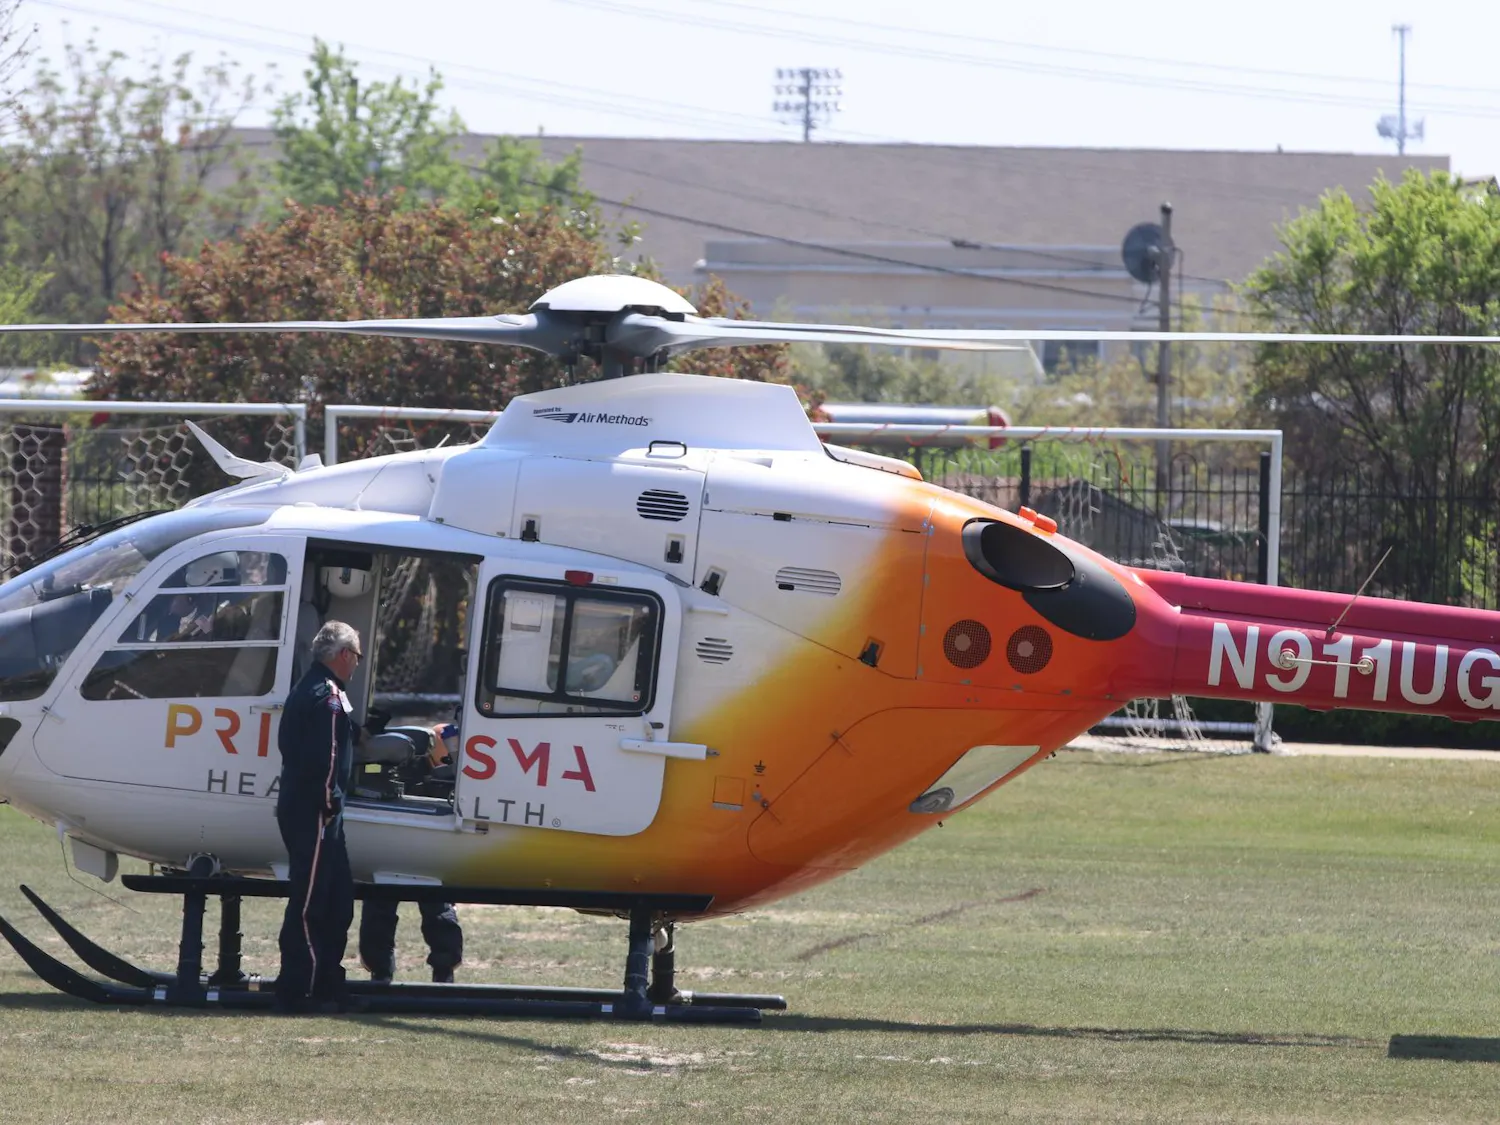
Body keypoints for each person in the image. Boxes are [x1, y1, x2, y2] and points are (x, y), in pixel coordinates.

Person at [273, 620, 361, 1014]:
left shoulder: (323, 690)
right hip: (315, 813)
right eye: (357, 655)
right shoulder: (325, 696)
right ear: (344, 655)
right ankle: (299, 987)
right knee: (310, 903)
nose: (358, 663)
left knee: (338, 900)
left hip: (322, 814)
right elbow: (324, 758)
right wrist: (328, 803)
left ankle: (327, 982)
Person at [358, 721, 464, 984]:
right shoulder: (406, 767)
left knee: (435, 910)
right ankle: (383, 969)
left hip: (423, 849)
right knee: (383, 907)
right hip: (402, 845)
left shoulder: (453, 775)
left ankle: (441, 968)